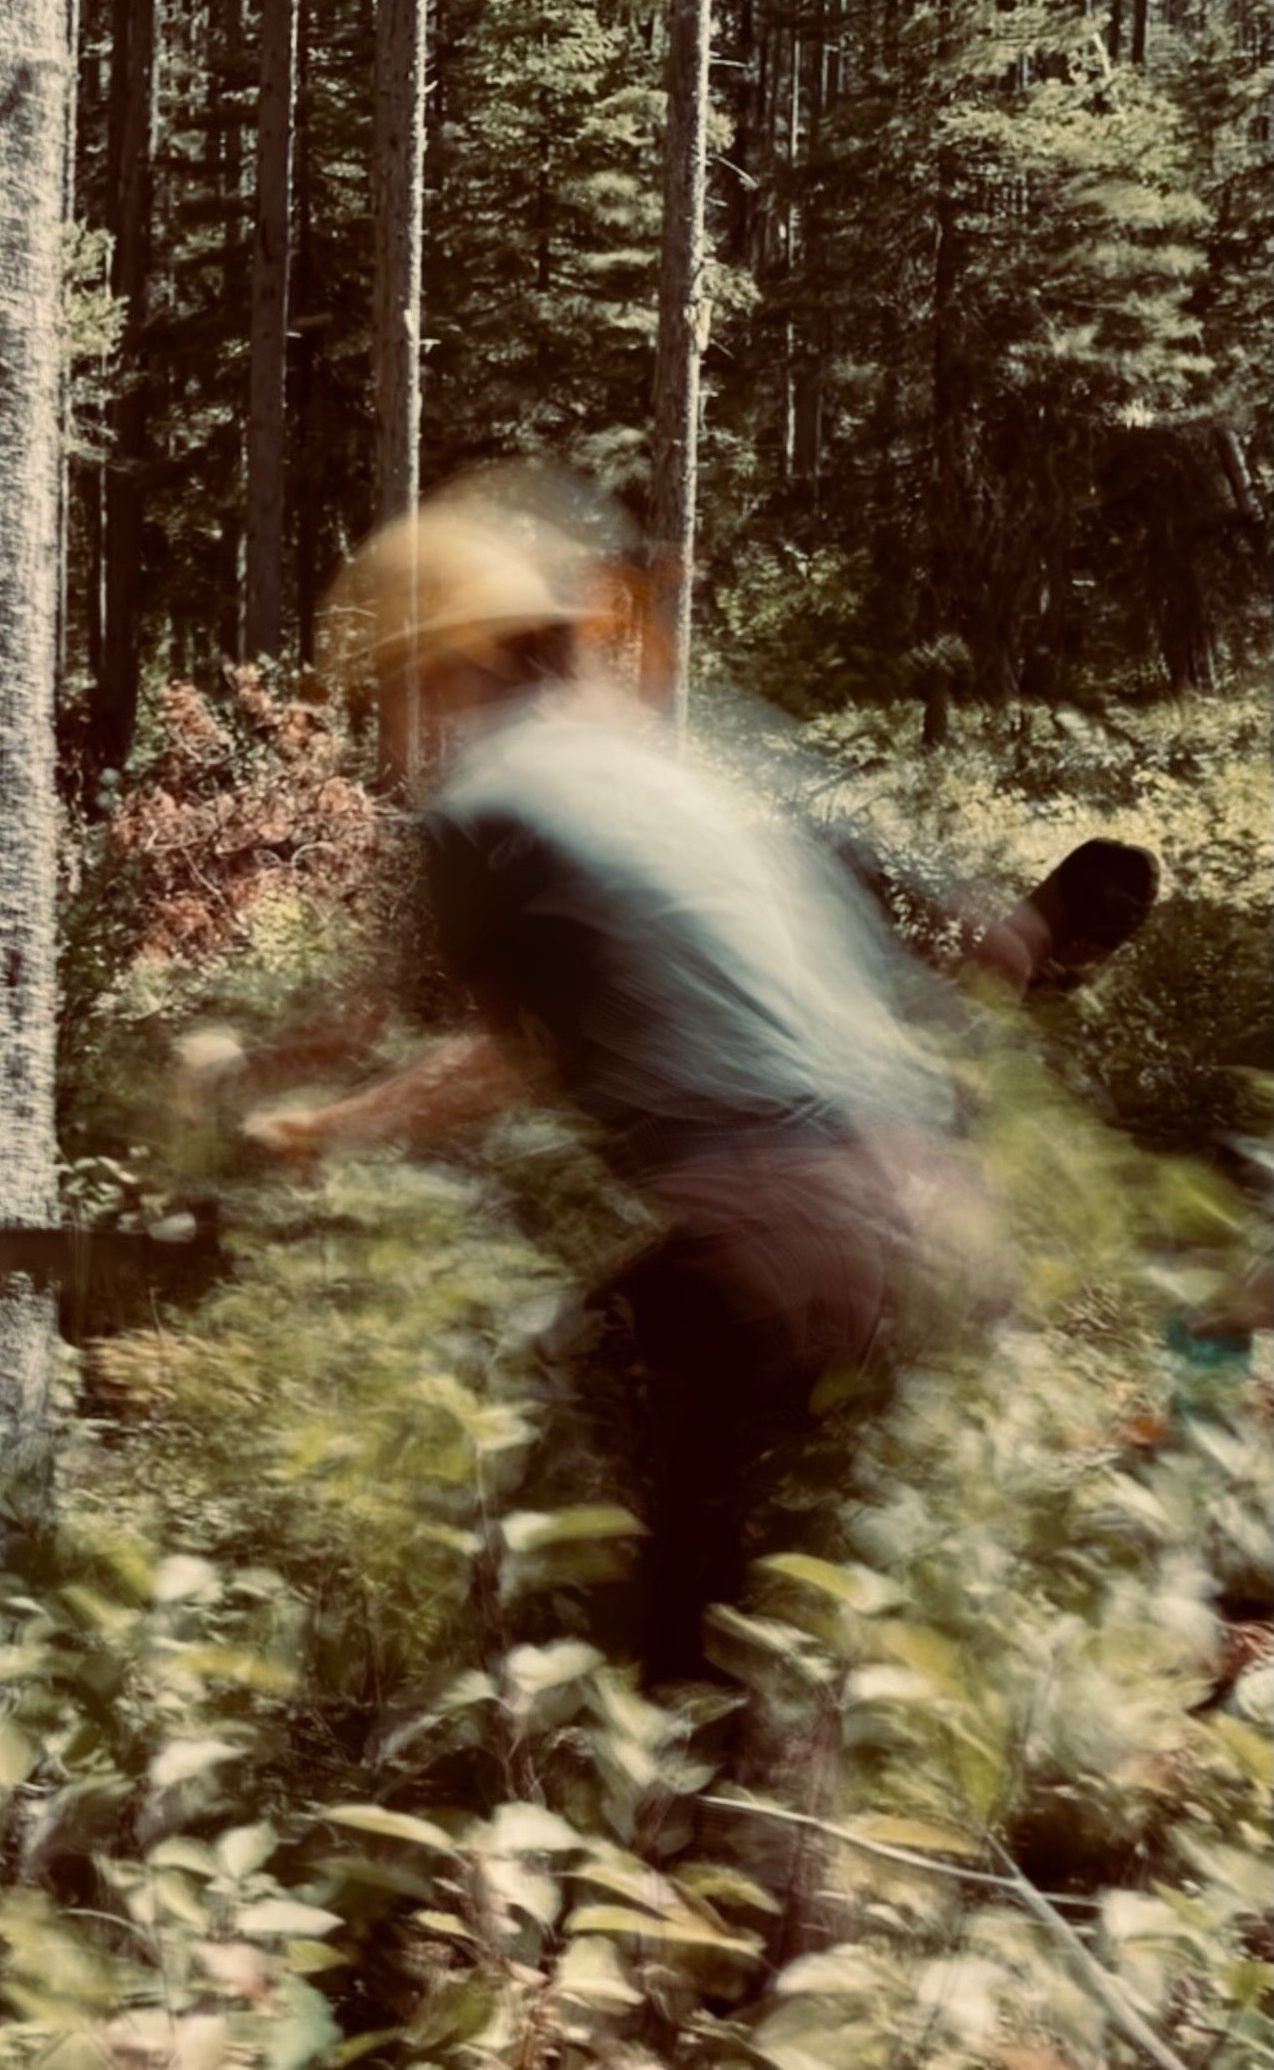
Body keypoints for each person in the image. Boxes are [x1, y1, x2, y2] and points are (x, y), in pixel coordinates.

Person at [243, 502, 1006, 1688]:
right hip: (925, 1201)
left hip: (767, 1227)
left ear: (450, 661)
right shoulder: (662, 764)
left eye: (393, 683)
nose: (393, 716)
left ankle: (659, 1820)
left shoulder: (488, 806)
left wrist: (319, 1130)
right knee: (812, 1600)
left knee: (649, 1606)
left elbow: (502, 1060)